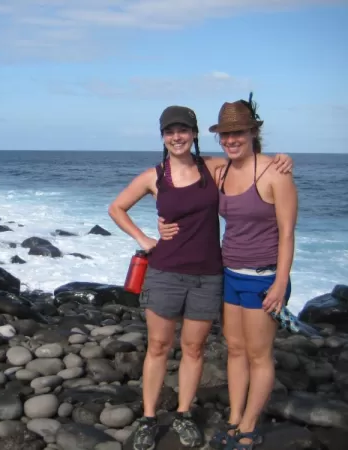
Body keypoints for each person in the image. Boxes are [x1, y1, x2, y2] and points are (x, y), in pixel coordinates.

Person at [107, 105, 293, 450]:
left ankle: (183, 413)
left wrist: (282, 159)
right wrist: (145, 238)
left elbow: (252, 163)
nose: (176, 137)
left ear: (194, 135)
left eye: (183, 130)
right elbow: (116, 207)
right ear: (163, 137)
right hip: (164, 272)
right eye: (169, 131)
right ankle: (149, 418)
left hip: (209, 274)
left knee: (194, 349)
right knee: (159, 347)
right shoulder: (154, 176)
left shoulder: (213, 168)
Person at [158, 95, 298, 449]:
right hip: (228, 273)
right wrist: (162, 223)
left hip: (263, 276)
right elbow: (181, 174)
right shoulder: (219, 171)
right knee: (235, 349)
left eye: (239, 132)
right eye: (225, 134)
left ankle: (249, 429)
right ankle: (235, 418)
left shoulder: (275, 174)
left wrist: (280, 283)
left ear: (253, 131)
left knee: (258, 355)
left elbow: (287, 234)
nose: (232, 140)